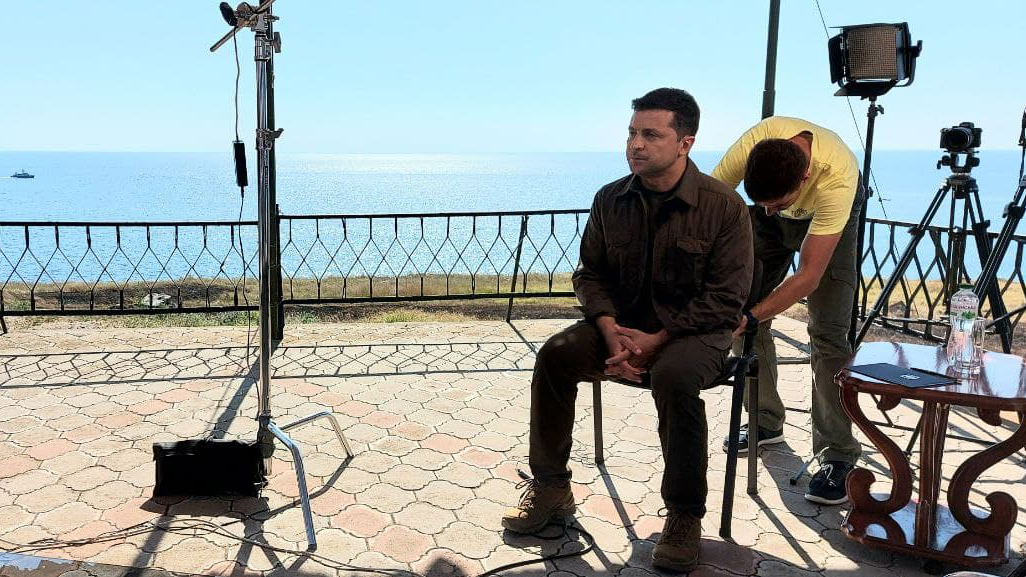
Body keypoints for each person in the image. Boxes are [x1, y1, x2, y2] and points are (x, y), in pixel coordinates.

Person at [501, 87, 753, 572]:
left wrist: (657, 339)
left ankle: (684, 515)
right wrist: (610, 330)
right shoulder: (610, 199)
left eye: (651, 135)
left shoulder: (723, 206)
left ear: (685, 143)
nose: (636, 144)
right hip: (620, 329)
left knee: (675, 377)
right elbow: (589, 274)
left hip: (694, 334)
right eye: (632, 133)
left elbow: (726, 299)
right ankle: (552, 488)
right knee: (555, 354)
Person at [711, 116, 862, 505]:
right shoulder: (753, 145)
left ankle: (838, 455)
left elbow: (808, 277)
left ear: (805, 177)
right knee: (744, 308)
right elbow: (708, 201)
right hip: (783, 209)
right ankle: (764, 421)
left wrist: (753, 316)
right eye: (761, 204)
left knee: (828, 333)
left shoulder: (836, 178)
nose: (767, 212)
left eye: (777, 204)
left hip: (829, 220)